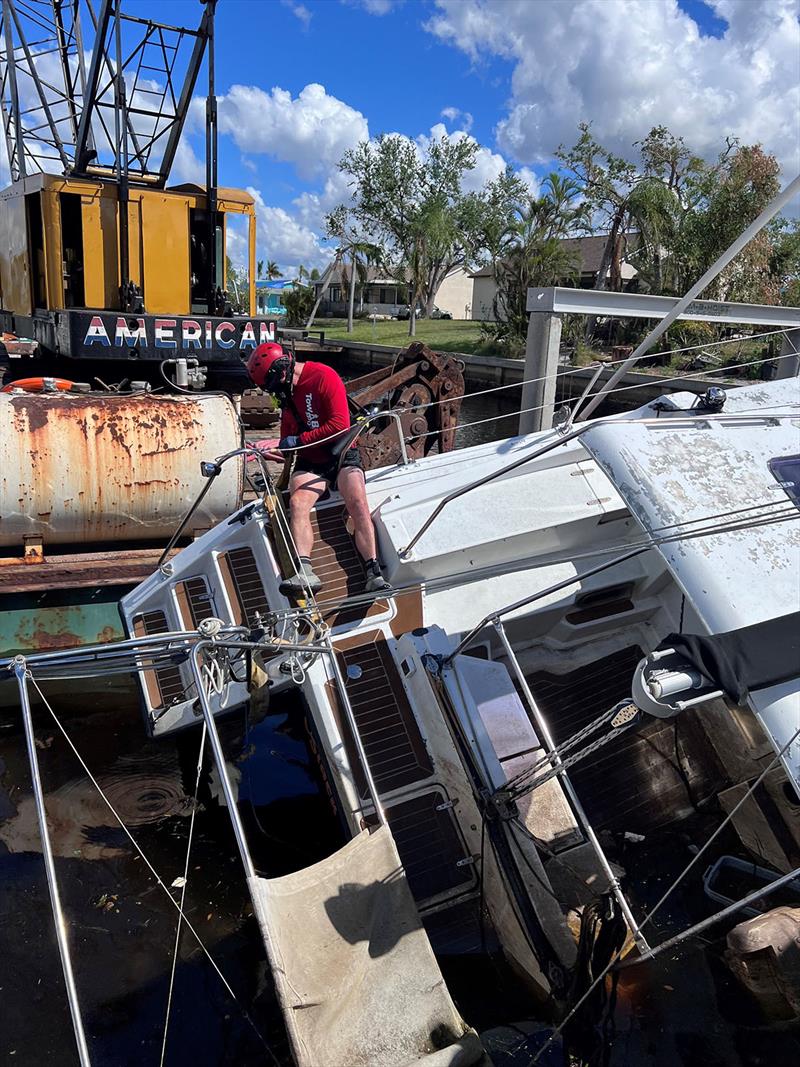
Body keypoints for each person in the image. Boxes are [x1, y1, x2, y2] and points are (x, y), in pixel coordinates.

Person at [246, 342, 391, 596]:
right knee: (298, 501)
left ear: (281, 372)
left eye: (273, 388)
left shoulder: (323, 376)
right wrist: (272, 450)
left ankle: (373, 571)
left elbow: (340, 424)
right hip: (311, 462)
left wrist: (297, 441)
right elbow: (289, 443)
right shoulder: (287, 395)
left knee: (357, 500)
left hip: (343, 454)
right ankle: (304, 571)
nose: (276, 395)